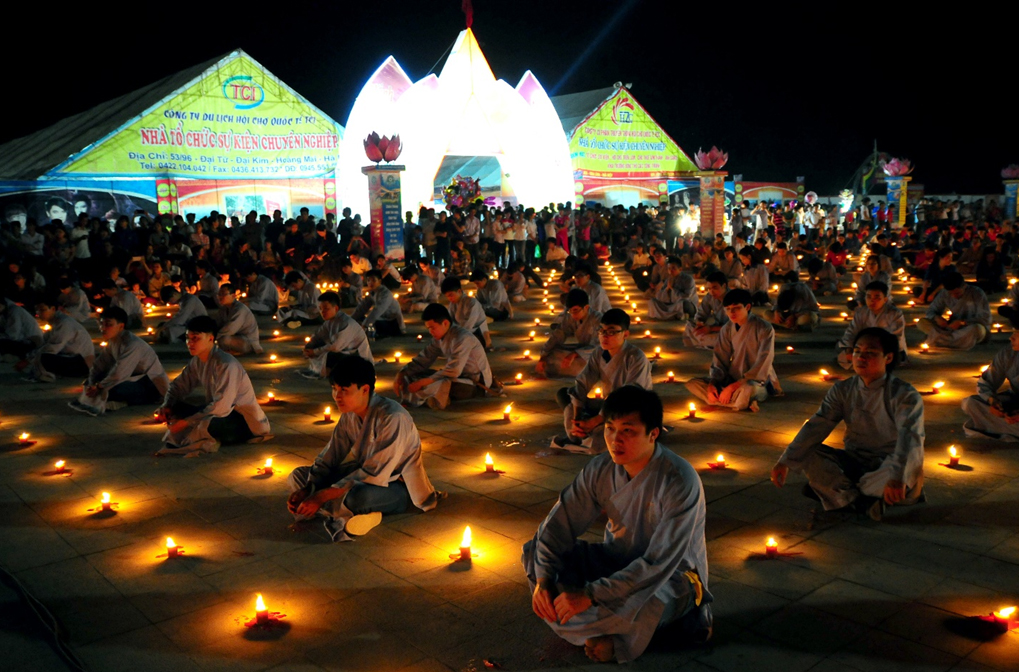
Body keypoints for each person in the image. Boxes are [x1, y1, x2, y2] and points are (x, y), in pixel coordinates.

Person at [523, 386, 712, 663]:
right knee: (535, 553)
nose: (614, 440)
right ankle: (614, 631)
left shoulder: (679, 480)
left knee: (649, 603)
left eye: (628, 431)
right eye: (610, 429)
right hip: (617, 561)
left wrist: (589, 594)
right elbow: (558, 525)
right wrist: (543, 581)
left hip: (670, 578)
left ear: (653, 433)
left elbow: (658, 563)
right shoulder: (600, 469)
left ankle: (618, 638)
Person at [771, 328, 925, 521]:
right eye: (857, 351)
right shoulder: (843, 389)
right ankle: (861, 502)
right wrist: (785, 461)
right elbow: (818, 424)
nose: (861, 357)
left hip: (888, 464)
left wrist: (897, 477)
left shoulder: (904, 395)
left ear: (888, 357)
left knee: (900, 470)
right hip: (854, 459)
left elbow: (910, 439)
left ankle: (839, 494)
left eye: (870, 353)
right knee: (809, 453)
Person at [286, 356, 445, 541]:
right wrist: (308, 488)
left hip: (397, 486)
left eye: (344, 390)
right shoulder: (350, 415)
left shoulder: (392, 417)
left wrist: (321, 495)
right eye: (334, 389)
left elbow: (374, 472)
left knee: (357, 498)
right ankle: (352, 514)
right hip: (363, 475)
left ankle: (346, 510)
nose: (337, 396)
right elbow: (330, 456)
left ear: (365, 389)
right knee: (298, 476)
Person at [156, 316, 272, 455]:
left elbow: (221, 407)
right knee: (176, 407)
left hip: (241, 421)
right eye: (188, 338)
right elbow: (178, 386)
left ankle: (210, 437)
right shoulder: (197, 361)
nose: (189, 343)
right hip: (218, 412)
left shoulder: (226, 364)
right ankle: (201, 432)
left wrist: (187, 422)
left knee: (206, 424)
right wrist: (167, 405)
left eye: (196, 338)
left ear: (210, 339)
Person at [553, 308, 652, 454]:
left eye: (612, 332)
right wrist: (577, 418)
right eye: (602, 331)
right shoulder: (599, 353)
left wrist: (595, 420)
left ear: (625, 334)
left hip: (630, 410)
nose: (605, 336)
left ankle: (589, 434)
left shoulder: (635, 358)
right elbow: (582, 382)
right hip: (607, 408)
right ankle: (581, 431)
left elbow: (630, 398)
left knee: (621, 429)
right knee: (564, 394)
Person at [685, 289, 780, 412]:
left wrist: (732, 388)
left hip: (755, 381)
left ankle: (732, 400)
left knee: (748, 389)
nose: (731, 313)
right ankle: (738, 402)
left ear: (748, 307)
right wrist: (712, 385)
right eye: (728, 309)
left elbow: (764, 361)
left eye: (736, 308)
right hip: (732, 377)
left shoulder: (764, 328)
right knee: (693, 383)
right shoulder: (726, 329)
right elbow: (720, 358)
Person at [69, 307, 169, 416]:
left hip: (149, 384)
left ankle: (126, 401)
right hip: (129, 379)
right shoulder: (113, 341)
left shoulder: (132, 344)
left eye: (108, 324)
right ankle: (110, 399)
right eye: (101, 324)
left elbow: (119, 373)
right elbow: (99, 365)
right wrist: (92, 382)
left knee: (111, 389)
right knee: (95, 382)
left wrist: (99, 387)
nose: (103, 328)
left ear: (121, 326)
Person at [394, 303, 496, 410]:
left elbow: (454, 370)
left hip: (473, 381)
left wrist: (424, 382)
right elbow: (423, 360)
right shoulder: (439, 338)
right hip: (453, 376)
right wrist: (402, 373)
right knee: (414, 376)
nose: (430, 332)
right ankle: (428, 396)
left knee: (437, 384)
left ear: (445, 323)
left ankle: (429, 398)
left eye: (433, 327)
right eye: (428, 328)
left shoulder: (462, 337)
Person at [962, 325, 1019, 441]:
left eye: (1017, 334)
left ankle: (990, 426)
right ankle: (1002, 427)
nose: (1011, 338)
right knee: (970, 403)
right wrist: (992, 401)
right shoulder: (1008, 354)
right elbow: (986, 382)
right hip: (1014, 402)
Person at [300, 291, 372, 380]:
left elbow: (335, 347)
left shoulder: (345, 323)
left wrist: (314, 352)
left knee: (329, 354)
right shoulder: (329, 321)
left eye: (326, 309)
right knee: (318, 347)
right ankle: (327, 370)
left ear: (336, 308)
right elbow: (318, 336)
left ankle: (330, 371)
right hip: (342, 352)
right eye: (320, 309)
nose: (322, 312)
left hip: (357, 357)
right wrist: (308, 347)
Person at [836, 281, 906, 369]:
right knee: (842, 350)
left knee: (890, 359)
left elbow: (896, 337)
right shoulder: (861, 312)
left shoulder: (895, 313)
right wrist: (849, 349)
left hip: (884, 349)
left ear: (885, 299)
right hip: (864, 347)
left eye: (877, 297)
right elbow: (851, 332)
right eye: (868, 297)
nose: (872, 300)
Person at [25, 297, 94, 382]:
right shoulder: (56, 322)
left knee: (43, 356)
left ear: (53, 309)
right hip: (73, 359)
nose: (39, 313)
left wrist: (28, 360)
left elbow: (52, 348)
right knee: (37, 352)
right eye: (37, 310)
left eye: (42, 310)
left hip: (81, 364)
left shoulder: (64, 323)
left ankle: (47, 376)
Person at [537, 289, 602, 379]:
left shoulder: (598, 319)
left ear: (586, 307)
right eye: (570, 311)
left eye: (575, 310)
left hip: (594, 354)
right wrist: (543, 356)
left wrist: (574, 354)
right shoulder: (570, 317)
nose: (572, 314)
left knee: (582, 364)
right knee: (552, 353)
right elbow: (558, 335)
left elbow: (599, 346)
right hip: (581, 349)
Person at [917, 271, 991, 350]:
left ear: (964, 286)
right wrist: (936, 317)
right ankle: (950, 340)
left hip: (969, 328)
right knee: (922, 322)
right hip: (951, 328)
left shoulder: (977, 293)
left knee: (978, 329)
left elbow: (985, 318)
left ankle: (940, 339)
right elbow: (931, 311)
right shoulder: (944, 293)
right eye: (951, 293)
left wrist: (962, 322)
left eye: (957, 293)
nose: (954, 296)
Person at [352, 270, 406, 338]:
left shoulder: (386, 293)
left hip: (393, 323)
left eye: (373, 280)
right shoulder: (372, 292)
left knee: (373, 322)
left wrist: (365, 325)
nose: (370, 283)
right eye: (368, 280)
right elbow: (362, 308)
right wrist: (351, 320)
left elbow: (377, 310)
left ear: (380, 281)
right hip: (382, 319)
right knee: (360, 318)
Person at [683, 272, 728, 350]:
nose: (711, 291)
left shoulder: (734, 299)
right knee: (689, 326)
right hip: (714, 329)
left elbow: (736, 326)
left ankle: (705, 342)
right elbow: (701, 313)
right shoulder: (709, 297)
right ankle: (706, 342)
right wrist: (699, 323)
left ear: (724, 286)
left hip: (728, 331)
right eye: (709, 288)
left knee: (728, 338)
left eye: (715, 288)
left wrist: (711, 328)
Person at [442, 277, 490, 348]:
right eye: (447, 296)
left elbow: (468, 326)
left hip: (476, 334)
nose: (449, 298)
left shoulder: (471, 303)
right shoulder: (453, 304)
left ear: (459, 291)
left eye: (451, 295)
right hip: (461, 333)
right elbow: (450, 321)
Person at [215, 284, 263, 356]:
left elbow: (230, 328)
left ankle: (243, 351)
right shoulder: (223, 308)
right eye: (219, 294)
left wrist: (213, 337)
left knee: (224, 339)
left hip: (248, 341)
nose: (220, 297)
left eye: (223, 294)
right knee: (221, 339)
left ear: (233, 296)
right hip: (235, 338)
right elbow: (217, 323)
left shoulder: (240, 309)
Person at [647, 256, 696, 321]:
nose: (670, 271)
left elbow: (687, 296)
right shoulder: (668, 279)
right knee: (652, 301)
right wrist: (667, 289)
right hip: (671, 305)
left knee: (684, 304)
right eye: (669, 268)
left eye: (673, 268)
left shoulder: (688, 280)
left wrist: (672, 289)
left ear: (680, 269)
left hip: (682, 304)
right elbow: (658, 296)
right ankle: (675, 315)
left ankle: (671, 315)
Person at [0, 295, 44, 360]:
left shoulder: (15, 311)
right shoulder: (4, 312)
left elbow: (13, 336)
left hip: (31, 342)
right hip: (21, 340)